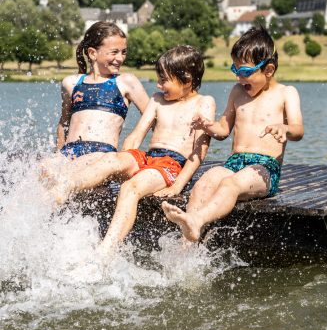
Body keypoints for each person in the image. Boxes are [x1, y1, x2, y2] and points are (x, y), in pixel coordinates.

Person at [48, 45, 215, 254]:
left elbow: (199, 153)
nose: (159, 84)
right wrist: (122, 160)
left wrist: (177, 186)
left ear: (187, 80)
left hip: (170, 164)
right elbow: (136, 135)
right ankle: (65, 187)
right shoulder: (157, 99)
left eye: (164, 80)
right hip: (148, 158)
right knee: (110, 159)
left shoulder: (204, 103)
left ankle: (105, 251)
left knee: (130, 189)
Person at [162, 26, 304, 242]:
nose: (239, 77)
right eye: (235, 70)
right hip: (234, 162)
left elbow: (298, 130)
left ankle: (196, 221)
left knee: (230, 185)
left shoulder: (286, 93)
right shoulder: (238, 92)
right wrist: (208, 125)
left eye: (245, 72)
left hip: (264, 168)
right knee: (204, 183)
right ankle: (185, 247)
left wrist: (285, 129)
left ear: (269, 70)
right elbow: (223, 131)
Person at [41, 21, 149, 192]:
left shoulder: (126, 82)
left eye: (123, 52)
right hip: (69, 151)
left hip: (101, 155)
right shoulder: (71, 83)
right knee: (43, 168)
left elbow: (153, 116)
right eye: (114, 52)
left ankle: (58, 193)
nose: (120, 58)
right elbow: (64, 123)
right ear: (92, 53)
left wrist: (135, 140)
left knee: (67, 175)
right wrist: (58, 154)